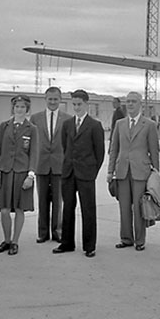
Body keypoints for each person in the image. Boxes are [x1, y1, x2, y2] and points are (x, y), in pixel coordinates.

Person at [52, 89, 105, 258]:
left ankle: (89, 246)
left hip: (86, 173)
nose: (76, 107)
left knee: (88, 209)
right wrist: (70, 164)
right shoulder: (67, 124)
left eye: (79, 104)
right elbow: (65, 146)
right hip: (68, 172)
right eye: (74, 104)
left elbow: (100, 152)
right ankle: (67, 243)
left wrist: (92, 172)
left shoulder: (95, 125)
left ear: (86, 104)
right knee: (68, 208)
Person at [107, 91, 160, 251]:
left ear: (140, 104)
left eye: (133, 102)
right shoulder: (120, 124)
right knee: (124, 206)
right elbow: (113, 149)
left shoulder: (149, 125)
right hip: (122, 170)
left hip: (140, 171)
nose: (130, 104)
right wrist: (110, 171)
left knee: (139, 207)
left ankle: (140, 240)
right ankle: (126, 238)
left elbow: (154, 150)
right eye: (128, 102)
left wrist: (155, 174)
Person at [0, 94, 39, 256]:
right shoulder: (4, 126)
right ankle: (6, 240)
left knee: (19, 209)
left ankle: (15, 242)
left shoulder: (32, 129)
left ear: (27, 109)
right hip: (5, 172)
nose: (20, 109)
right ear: (13, 108)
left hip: (22, 173)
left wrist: (31, 175)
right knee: (4, 210)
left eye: (23, 107)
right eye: (17, 106)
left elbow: (34, 153)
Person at [30, 86, 71, 244]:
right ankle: (42, 232)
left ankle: (57, 231)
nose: (53, 102)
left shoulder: (67, 119)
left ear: (60, 100)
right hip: (41, 165)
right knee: (42, 200)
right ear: (45, 99)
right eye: (50, 99)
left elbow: (70, 144)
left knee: (58, 201)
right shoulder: (35, 118)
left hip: (59, 166)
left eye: (55, 99)